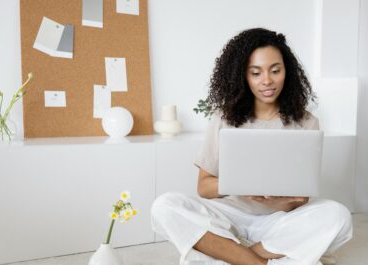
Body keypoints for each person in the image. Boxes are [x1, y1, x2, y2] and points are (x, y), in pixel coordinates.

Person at [151, 28, 352, 265]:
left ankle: (231, 255)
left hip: (278, 221)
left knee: (338, 215)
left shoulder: (307, 122)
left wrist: (277, 199)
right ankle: (262, 261)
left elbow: (301, 199)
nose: (267, 80)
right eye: (256, 73)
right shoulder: (224, 118)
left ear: (287, 72)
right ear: (242, 77)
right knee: (165, 206)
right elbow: (204, 188)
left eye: (275, 71)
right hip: (228, 217)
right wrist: (242, 185)